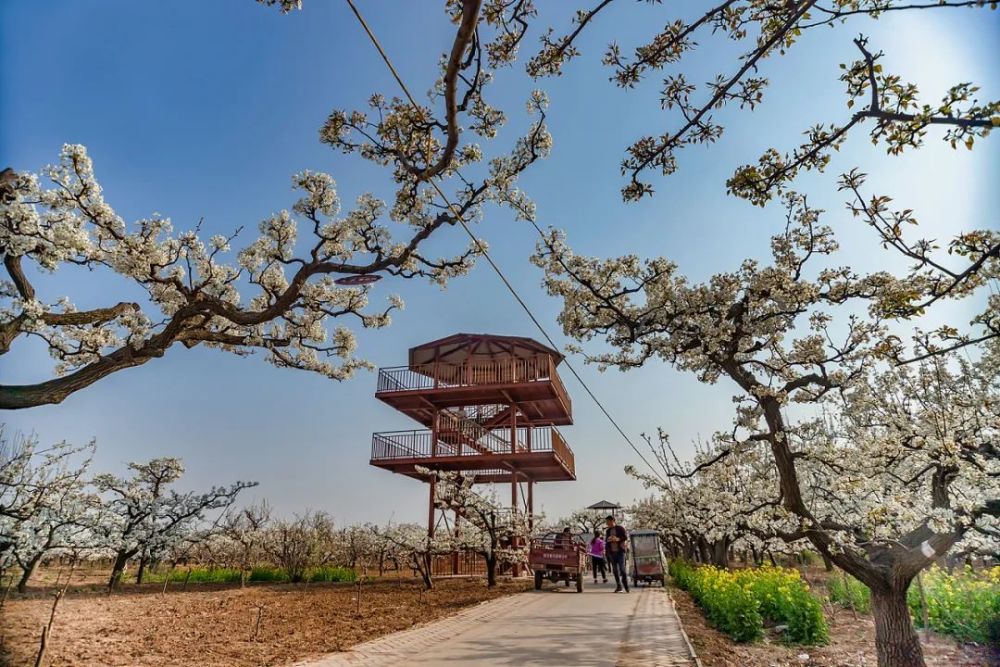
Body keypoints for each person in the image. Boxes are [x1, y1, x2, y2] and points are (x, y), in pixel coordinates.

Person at [604, 515, 629, 593]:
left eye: (608, 522)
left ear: (613, 521)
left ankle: (626, 586)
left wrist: (618, 539)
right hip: (612, 553)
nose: (607, 523)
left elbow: (625, 537)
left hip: (620, 552)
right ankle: (619, 586)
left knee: (622, 569)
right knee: (615, 570)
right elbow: (606, 540)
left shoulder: (620, 528)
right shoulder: (608, 531)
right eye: (607, 522)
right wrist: (608, 540)